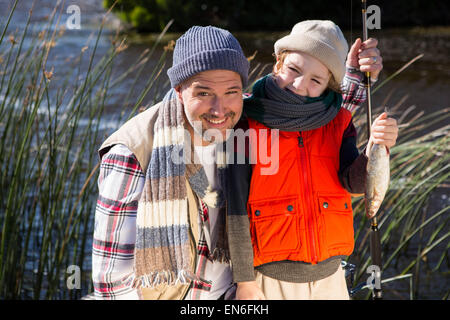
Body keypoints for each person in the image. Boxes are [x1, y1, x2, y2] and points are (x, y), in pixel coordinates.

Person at [226, 20, 398, 300]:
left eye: (315, 80)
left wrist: (376, 148)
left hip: (330, 278)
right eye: (293, 69)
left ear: (328, 87)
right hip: (268, 279)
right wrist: (244, 282)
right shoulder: (246, 123)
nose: (299, 84)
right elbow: (235, 209)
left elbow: (353, 182)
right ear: (278, 64)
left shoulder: (338, 121)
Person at [92, 25, 250, 300]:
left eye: (231, 92)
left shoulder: (247, 129)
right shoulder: (131, 155)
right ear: (179, 90)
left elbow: (304, 101)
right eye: (203, 93)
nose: (219, 109)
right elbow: (112, 285)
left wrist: (350, 80)